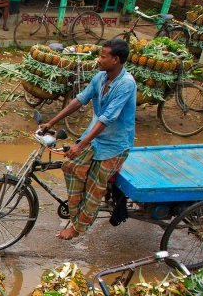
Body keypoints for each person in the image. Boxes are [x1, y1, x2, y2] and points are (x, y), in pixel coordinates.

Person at [39, 39, 136, 241]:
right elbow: (79, 100)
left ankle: (78, 227)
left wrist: (80, 145)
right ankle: (78, 215)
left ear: (116, 59)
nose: (98, 59)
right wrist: (51, 122)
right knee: (70, 166)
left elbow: (106, 119)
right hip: (95, 137)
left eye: (103, 56)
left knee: (95, 183)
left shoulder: (126, 84)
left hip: (114, 144)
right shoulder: (101, 78)